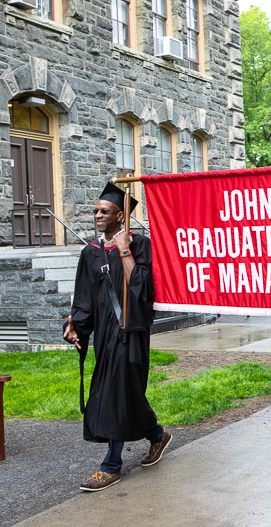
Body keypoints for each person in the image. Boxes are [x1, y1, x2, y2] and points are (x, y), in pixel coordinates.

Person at [63, 182, 171, 492]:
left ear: (121, 216)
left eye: (104, 211)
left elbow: (141, 290)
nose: (97, 215)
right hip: (106, 336)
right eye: (96, 210)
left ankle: (111, 465)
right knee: (126, 395)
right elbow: (84, 300)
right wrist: (75, 326)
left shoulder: (141, 245)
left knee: (114, 394)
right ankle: (156, 434)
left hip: (131, 331)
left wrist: (124, 249)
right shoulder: (90, 252)